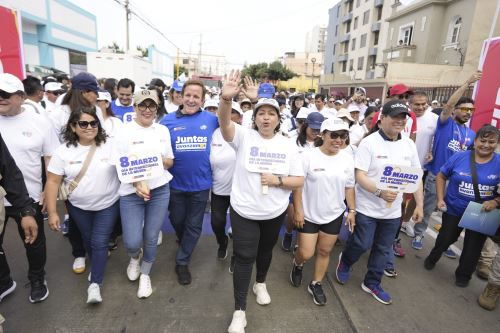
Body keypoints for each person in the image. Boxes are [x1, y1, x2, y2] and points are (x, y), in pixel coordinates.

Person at [218, 71, 304, 333]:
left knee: (265, 252)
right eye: (261, 113)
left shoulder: (288, 145)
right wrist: (225, 98)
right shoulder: (244, 137)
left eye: (271, 114)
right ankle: (240, 311)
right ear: (254, 118)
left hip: (273, 211)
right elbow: (224, 123)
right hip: (244, 210)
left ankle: (261, 283)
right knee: (244, 256)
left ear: (279, 120)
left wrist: (277, 180)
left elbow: (298, 180)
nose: (266, 117)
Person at [335, 100, 423, 305]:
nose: (400, 121)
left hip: (392, 213)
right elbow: (360, 175)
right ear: (382, 119)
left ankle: (372, 282)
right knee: (361, 243)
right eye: (395, 117)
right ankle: (345, 262)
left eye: (403, 118)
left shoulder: (409, 144)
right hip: (367, 208)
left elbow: (415, 177)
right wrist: (379, 192)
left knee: (383, 249)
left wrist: (418, 204)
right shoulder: (369, 142)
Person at [45, 106, 120, 303]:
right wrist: (52, 212)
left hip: (108, 204)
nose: (89, 127)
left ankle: (95, 283)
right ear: (73, 126)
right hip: (78, 207)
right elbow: (52, 181)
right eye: (83, 123)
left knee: (99, 242)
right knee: (89, 240)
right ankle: (98, 264)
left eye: (93, 123)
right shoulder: (62, 151)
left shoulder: (111, 144)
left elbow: (130, 162)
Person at [0, 73, 55, 304]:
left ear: (21, 97)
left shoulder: (40, 121)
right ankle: (4, 281)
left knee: (33, 242)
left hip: (29, 197)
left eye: (5, 94)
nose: (0, 98)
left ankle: (37, 278)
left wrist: (47, 189)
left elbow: (50, 158)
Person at [114, 89, 174, 298]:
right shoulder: (122, 132)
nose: (147, 110)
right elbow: (119, 165)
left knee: (150, 236)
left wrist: (158, 159)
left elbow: (170, 162)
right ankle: (134, 257)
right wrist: (136, 184)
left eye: (152, 106)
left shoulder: (162, 131)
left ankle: (145, 274)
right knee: (131, 240)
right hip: (131, 192)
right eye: (143, 105)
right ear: (135, 107)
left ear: (157, 109)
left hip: (159, 190)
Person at [290, 117, 356, 306]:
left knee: (325, 251)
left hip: (333, 214)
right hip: (309, 214)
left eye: (343, 136)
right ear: (323, 135)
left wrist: (352, 210)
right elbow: (298, 187)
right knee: (305, 253)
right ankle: (298, 264)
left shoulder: (348, 158)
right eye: (334, 135)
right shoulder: (308, 156)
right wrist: (298, 211)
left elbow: (349, 187)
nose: (339, 140)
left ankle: (316, 283)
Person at [424, 125, 500, 287]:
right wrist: (440, 198)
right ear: (476, 140)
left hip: (482, 213)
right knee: (446, 238)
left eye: (491, 142)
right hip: (454, 208)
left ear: (497, 143)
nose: (486, 145)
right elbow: (441, 176)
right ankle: (432, 258)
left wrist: (495, 201)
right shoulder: (460, 157)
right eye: (483, 140)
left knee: (473, 247)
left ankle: (464, 275)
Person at [160, 79, 219, 285]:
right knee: (177, 220)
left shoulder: (212, 120)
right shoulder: (166, 121)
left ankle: (182, 261)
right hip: (174, 185)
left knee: (194, 225)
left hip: (201, 185)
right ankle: (184, 241)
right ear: (180, 96)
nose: (191, 99)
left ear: (203, 100)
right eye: (188, 95)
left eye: (196, 96)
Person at [48, 71, 105, 274]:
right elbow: (51, 150)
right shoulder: (58, 114)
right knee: (75, 218)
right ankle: (79, 253)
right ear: (83, 91)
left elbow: (103, 138)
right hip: (68, 174)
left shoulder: (95, 110)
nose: (95, 97)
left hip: (94, 168)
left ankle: (97, 249)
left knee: (95, 218)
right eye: (93, 92)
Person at [419, 72, 481, 250]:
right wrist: (467, 83)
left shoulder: (471, 134)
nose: (468, 113)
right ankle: (419, 233)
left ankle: (443, 243)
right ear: (455, 110)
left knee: (450, 215)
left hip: (456, 180)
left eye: (471, 110)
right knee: (429, 208)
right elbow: (449, 105)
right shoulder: (446, 123)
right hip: (436, 174)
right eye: (464, 109)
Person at [282, 112, 324, 252]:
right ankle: (288, 233)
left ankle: (299, 243)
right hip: (295, 182)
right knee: (293, 213)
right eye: (313, 128)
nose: (315, 132)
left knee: (306, 215)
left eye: (319, 129)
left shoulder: (323, 143)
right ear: (305, 125)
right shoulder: (293, 141)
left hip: (314, 184)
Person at [399, 92, 437, 241]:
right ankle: (394, 223)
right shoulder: (402, 118)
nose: (420, 107)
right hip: (401, 166)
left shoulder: (434, 119)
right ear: (410, 104)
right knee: (401, 199)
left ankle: (405, 221)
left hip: (423, 166)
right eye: (417, 104)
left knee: (416, 197)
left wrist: (432, 151)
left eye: (423, 104)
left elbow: (438, 139)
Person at [210, 101, 242, 267]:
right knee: (216, 222)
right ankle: (222, 242)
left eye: (233, 112)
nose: (229, 116)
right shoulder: (214, 133)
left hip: (241, 191)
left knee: (239, 228)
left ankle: (237, 255)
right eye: (227, 112)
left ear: (240, 117)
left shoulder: (246, 134)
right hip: (219, 189)